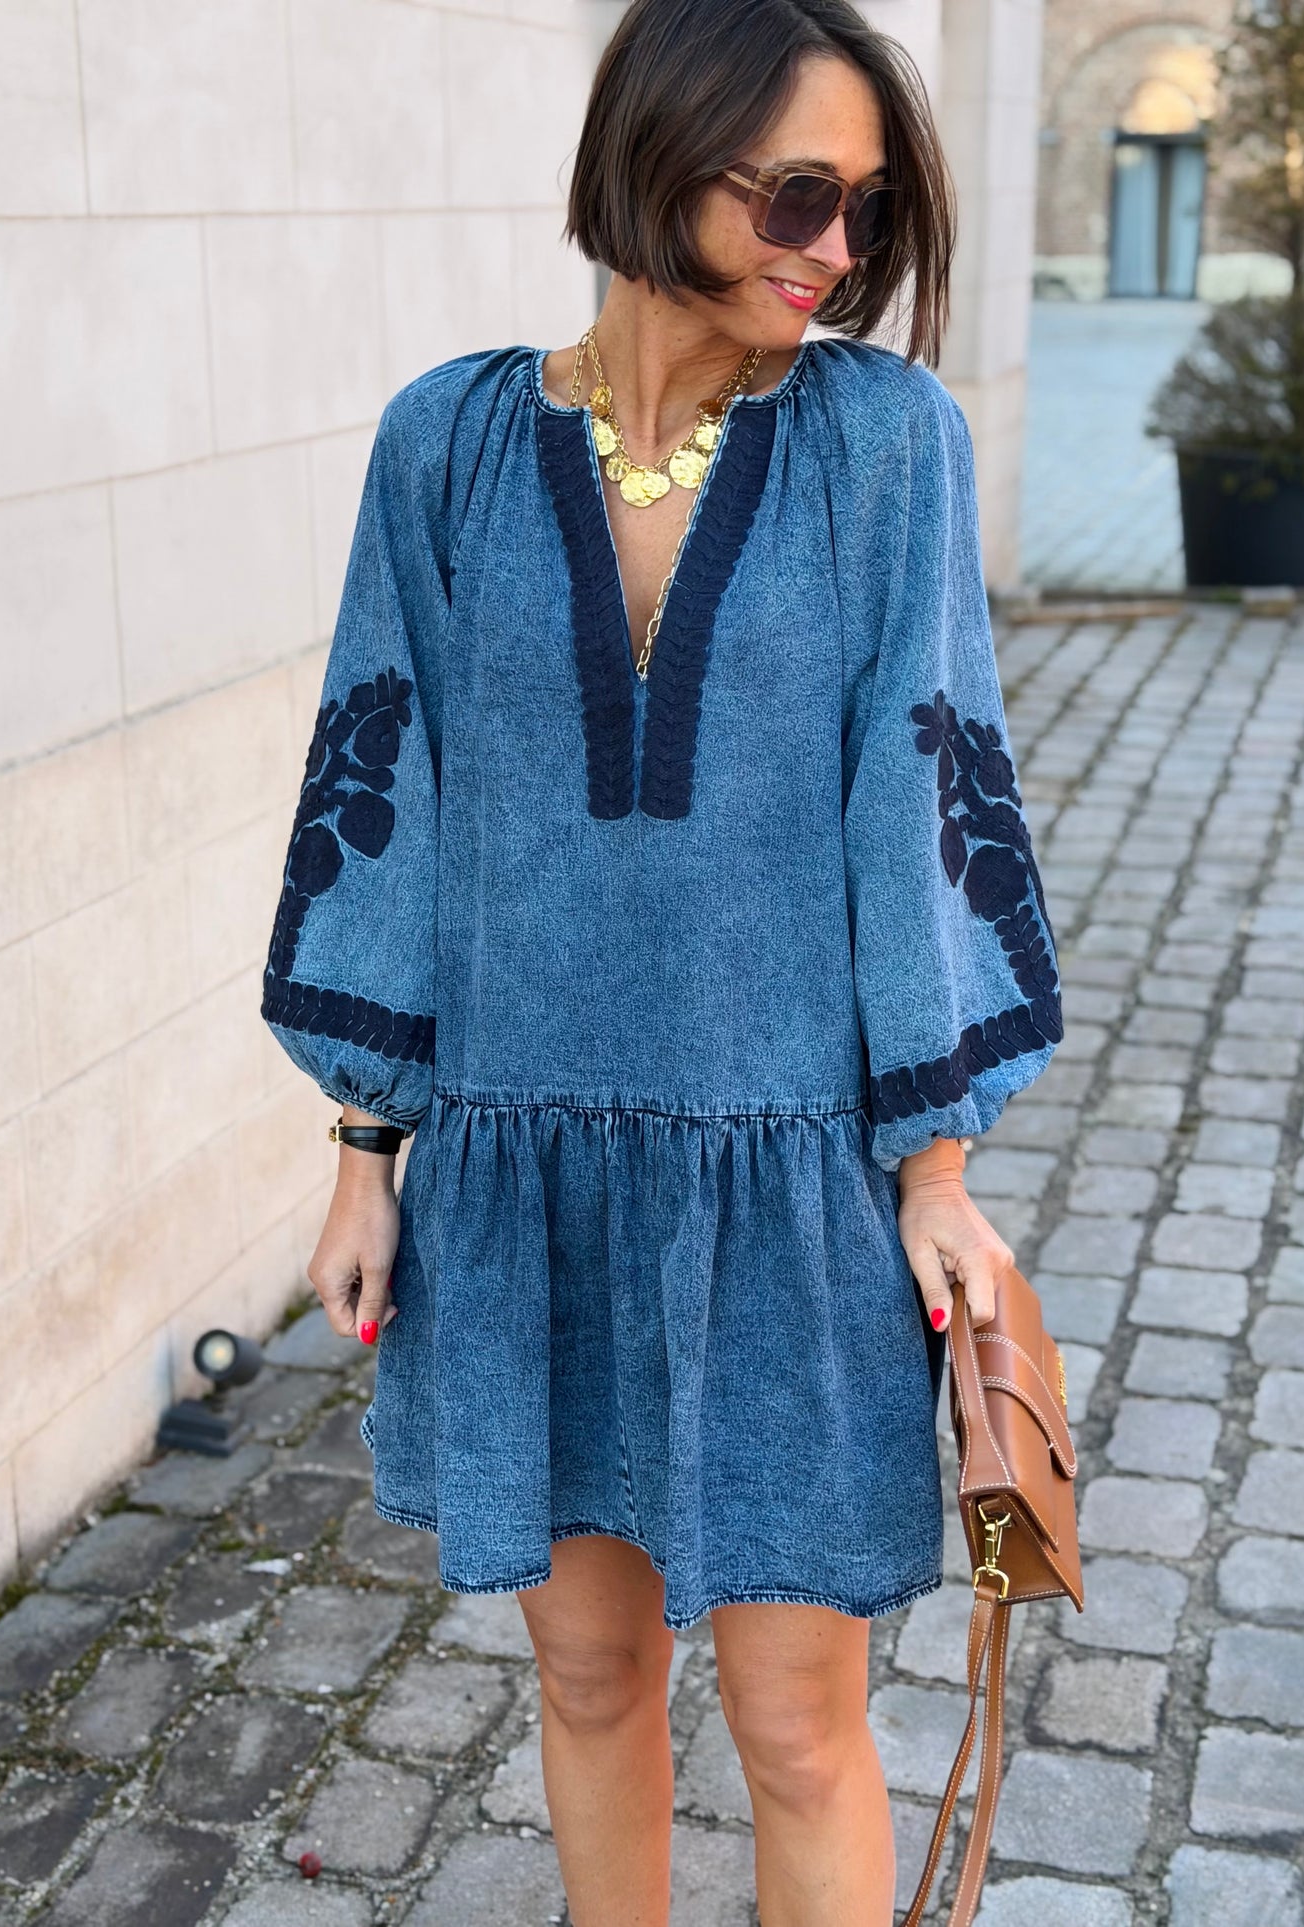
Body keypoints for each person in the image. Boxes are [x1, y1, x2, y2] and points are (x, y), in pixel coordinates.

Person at [261, 0, 1062, 1919]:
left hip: (787, 1193)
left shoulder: (885, 447)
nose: (836, 249)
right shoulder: (447, 444)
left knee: (798, 1730)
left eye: (867, 208)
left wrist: (935, 1170)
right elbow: (389, 783)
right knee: (591, 1681)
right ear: (657, 153)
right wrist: (365, 1146)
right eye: (795, 195)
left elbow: (919, 792)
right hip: (521, 1184)